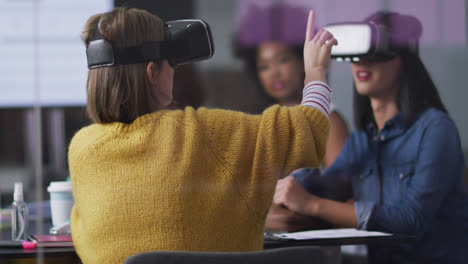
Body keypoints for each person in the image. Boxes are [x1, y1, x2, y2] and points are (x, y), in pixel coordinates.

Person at [69, 7, 337, 264]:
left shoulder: (83, 149)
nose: (174, 71)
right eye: (171, 63)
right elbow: (309, 130)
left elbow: (84, 236)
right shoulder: (207, 133)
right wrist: (315, 71)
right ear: (153, 73)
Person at [272, 11, 468, 263]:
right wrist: (315, 74)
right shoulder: (364, 139)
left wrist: (312, 205)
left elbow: (410, 220)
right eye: (357, 51)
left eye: (375, 50)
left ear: (403, 60)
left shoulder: (436, 129)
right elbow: (319, 186)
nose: (362, 61)